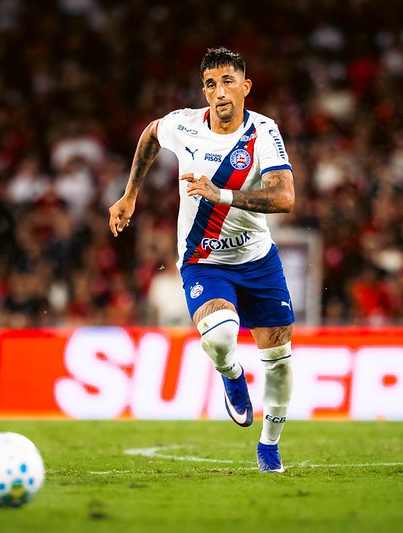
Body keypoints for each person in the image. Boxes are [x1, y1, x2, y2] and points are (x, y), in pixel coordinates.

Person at [109, 47, 296, 473]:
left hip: (258, 260)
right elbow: (150, 135)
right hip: (203, 260)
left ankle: (269, 446)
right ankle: (231, 374)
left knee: (279, 364)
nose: (220, 91)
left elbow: (285, 197)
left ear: (246, 87)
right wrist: (130, 194)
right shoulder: (185, 125)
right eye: (211, 84)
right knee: (221, 335)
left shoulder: (263, 132)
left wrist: (221, 193)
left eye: (228, 81)